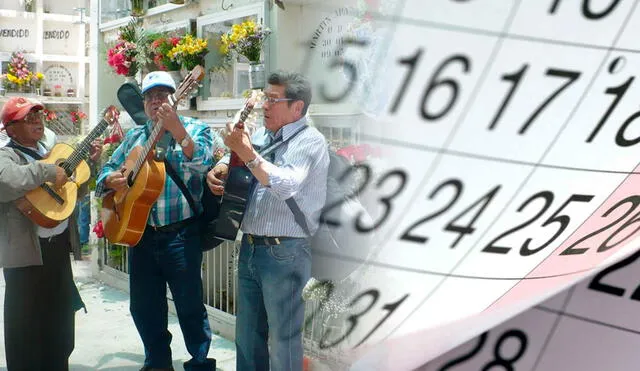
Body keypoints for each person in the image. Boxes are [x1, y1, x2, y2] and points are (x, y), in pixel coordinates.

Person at [95, 71, 224, 371]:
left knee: (190, 306)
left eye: (163, 95)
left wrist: (178, 131)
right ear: (144, 102)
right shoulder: (134, 138)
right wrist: (110, 180)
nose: (157, 102)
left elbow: (205, 163)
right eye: (151, 97)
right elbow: (108, 171)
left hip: (181, 236)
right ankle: (157, 362)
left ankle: (201, 363)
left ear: (176, 98)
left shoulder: (195, 128)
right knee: (144, 307)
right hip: (141, 236)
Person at [207, 70, 330, 371]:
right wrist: (220, 168)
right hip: (250, 247)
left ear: (297, 107)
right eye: (265, 97)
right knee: (247, 337)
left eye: (273, 100)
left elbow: (286, 184)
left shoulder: (310, 141)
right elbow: (238, 157)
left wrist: (247, 153)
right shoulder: (263, 134)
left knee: (284, 341)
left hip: (285, 252)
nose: (265, 106)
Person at [0, 96, 101, 370]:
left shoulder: (50, 152)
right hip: (25, 258)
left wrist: (89, 166)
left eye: (38, 116)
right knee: (25, 331)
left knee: (59, 325)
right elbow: (5, 181)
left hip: (57, 252)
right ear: (10, 129)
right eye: (27, 118)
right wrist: (47, 170)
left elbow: (74, 194)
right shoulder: (6, 155)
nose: (36, 121)